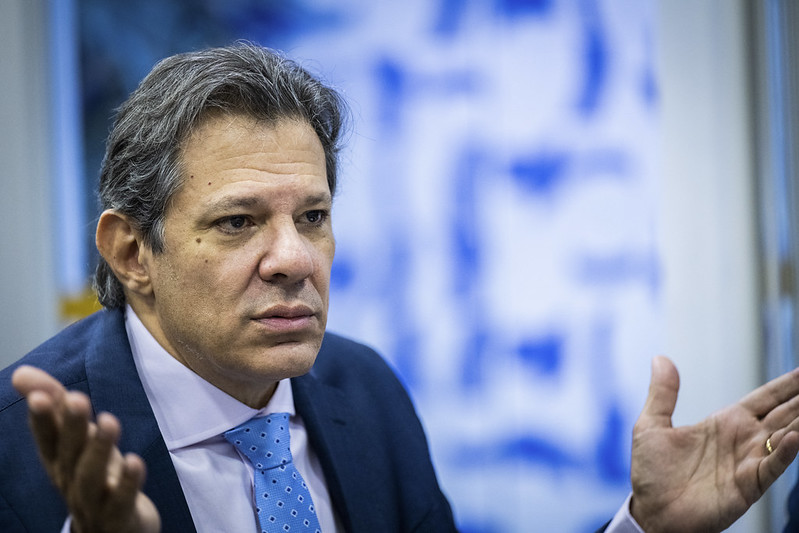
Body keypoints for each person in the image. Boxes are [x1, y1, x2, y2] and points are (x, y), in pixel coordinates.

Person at [1, 43, 798, 533]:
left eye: (311, 215)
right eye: (239, 222)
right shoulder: (15, 445)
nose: (293, 259)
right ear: (133, 250)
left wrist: (645, 528)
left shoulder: (363, 388)